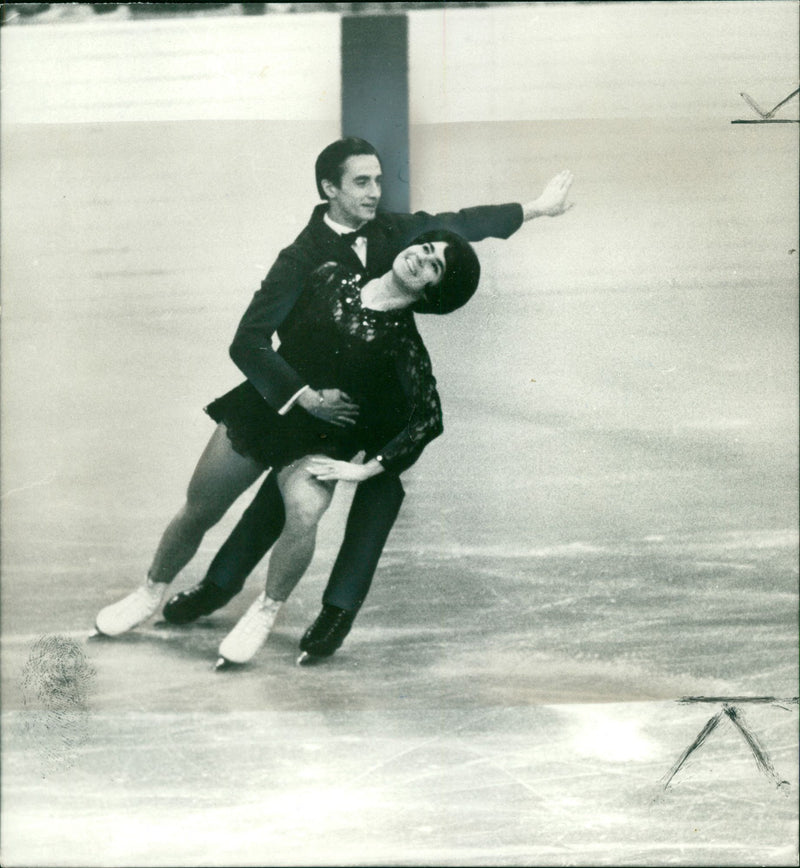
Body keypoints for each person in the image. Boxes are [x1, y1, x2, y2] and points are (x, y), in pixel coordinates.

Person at [93, 137, 573, 657]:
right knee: (202, 506)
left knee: (309, 510)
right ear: (330, 189)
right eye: (361, 183)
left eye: (378, 180)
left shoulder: (393, 233)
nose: (374, 193)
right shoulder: (303, 257)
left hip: (349, 420)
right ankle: (150, 593)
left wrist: (537, 209)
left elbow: (458, 224)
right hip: (274, 403)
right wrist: (301, 395)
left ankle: (281, 611)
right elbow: (248, 340)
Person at [210, 229, 480, 667]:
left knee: (367, 503)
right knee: (277, 502)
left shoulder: (406, 345)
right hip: (315, 417)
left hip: (372, 437)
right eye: (426, 249)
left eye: (435, 265)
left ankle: (336, 613)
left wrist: (369, 468)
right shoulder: (335, 274)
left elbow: (428, 417)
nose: (420, 259)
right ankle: (218, 586)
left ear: (436, 288)